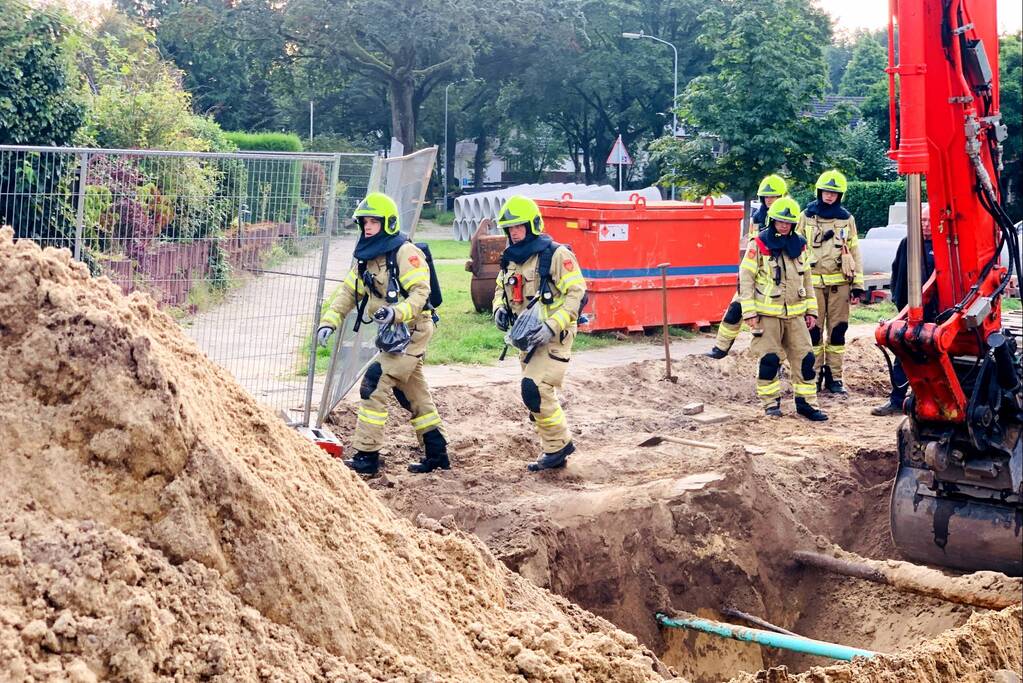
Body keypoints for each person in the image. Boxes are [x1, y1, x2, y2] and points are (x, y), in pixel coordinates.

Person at [317, 192, 448, 475]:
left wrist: (396, 312)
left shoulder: (405, 253)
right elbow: (348, 292)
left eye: (373, 222)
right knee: (412, 392)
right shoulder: (366, 257)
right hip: (394, 334)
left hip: (413, 331)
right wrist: (329, 321)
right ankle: (437, 453)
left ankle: (367, 455)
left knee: (375, 382)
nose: (367, 227)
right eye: (364, 222)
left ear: (387, 223)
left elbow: (420, 293)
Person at [492, 195, 587, 471]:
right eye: (510, 228)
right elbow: (501, 290)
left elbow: (577, 293)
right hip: (526, 339)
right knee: (537, 396)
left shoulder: (556, 255)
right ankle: (556, 446)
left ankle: (558, 447)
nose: (514, 233)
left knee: (534, 388)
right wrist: (499, 309)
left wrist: (552, 325)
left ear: (533, 225)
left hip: (555, 337)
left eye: (519, 226)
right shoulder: (509, 260)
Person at [739, 196, 828, 421]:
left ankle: (807, 404)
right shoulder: (757, 244)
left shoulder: (800, 245)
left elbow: (808, 279)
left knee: (806, 360)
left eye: (788, 222)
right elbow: (746, 278)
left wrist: (812, 311)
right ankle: (771, 404)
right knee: (769, 361)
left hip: (796, 315)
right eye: (780, 221)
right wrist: (749, 312)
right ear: (772, 220)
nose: (784, 226)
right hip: (767, 316)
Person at [797, 170, 864, 396]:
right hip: (812, 286)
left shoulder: (847, 219)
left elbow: (854, 251)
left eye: (834, 193)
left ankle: (835, 378)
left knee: (838, 333)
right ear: (819, 191)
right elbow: (795, 249)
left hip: (840, 286)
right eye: (826, 192)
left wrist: (858, 286)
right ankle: (814, 376)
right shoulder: (806, 216)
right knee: (812, 333)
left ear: (839, 196)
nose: (829, 196)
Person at [707, 174, 789, 359]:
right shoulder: (758, 218)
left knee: (777, 325)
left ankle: (779, 362)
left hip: (777, 281)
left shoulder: (791, 219)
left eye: (773, 196)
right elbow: (753, 247)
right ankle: (720, 348)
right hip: (755, 274)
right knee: (735, 309)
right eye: (766, 197)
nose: (769, 200)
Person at [872, 204, 936, 416]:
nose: (926, 226)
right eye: (923, 221)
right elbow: (897, 273)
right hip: (911, 312)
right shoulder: (907, 244)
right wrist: (900, 305)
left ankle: (928, 400)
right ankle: (897, 401)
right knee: (904, 355)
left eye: (929, 221)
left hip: (937, 313)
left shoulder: (944, 247)